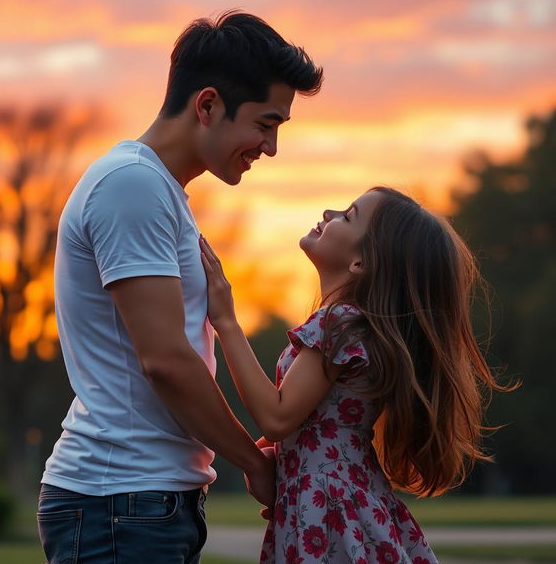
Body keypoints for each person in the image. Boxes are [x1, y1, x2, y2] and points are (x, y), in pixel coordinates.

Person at [37, 10, 323, 564]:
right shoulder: (133, 186)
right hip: (119, 501)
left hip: (140, 500)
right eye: (265, 125)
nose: (270, 147)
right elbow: (166, 359)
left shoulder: (154, 188)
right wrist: (254, 462)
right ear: (208, 105)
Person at [200, 186, 512, 564]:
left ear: (360, 264)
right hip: (347, 497)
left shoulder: (339, 324)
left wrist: (227, 322)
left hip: (331, 506)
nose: (330, 212)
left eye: (347, 216)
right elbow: (314, 422)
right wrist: (269, 456)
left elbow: (278, 416)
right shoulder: (356, 327)